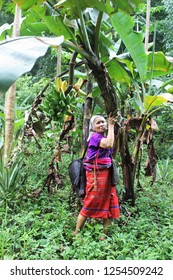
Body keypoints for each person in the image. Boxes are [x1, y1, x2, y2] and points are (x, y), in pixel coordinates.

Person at [73, 114, 120, 240]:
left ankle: (103, 237)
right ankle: (76, 234)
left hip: (107, 176)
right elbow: (109, 144)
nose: (102, 124)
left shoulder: (104, 136)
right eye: (98, 123)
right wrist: (111, 125)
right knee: (90, 203)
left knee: (110, 203)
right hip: (96, 176)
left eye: (103, 122)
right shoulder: (94, 137)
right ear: (92, 127)